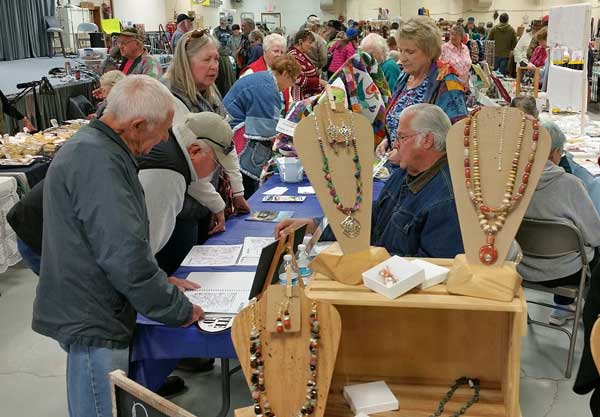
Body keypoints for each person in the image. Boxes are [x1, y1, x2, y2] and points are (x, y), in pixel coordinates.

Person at [31, 75, 204, 417]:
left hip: (89, 305)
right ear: (138, 124)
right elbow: (124, 254)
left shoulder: (99, 147)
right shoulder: (100, 162)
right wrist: (178, 310)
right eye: (161, 131)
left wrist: (158, 280)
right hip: (93, 313)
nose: (163, 140)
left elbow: (115, 240)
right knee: (100, 409)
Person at [276, 103, 464, 258]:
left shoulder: (446, 201)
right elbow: (372, 216)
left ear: (427, 141)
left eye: (401, 137)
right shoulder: (405, 174)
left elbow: (433, 271)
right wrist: (316, 225)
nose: (395, 144)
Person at [162, 29, 249, 237]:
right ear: (186, 62)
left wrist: (238, 191)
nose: (214, 66)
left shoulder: (209, 95)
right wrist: (217, 204)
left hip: (203, 202)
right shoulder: (171, 99)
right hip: (181, 208)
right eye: (206, 59)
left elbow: (225, 144)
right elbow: (188, 164)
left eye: (216, 59)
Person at [518, 120, 600, 325]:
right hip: (565, 273)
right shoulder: (571, 185)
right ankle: (571, 308)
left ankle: (562, 308)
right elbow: (595, 235)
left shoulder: (514, 183)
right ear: (554, 152)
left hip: (522, 267)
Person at [377, 17, 468, 157]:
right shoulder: (404, 77)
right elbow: (395, 121)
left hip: (426, 174)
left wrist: (405, 154)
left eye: (410, 52)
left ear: (429, 51)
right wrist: (387, 141)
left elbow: (456, 138)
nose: (403, 58)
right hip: (395, 164)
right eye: (401, 50)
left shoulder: (447, 83)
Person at [224, 56, 301, 198]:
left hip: (231, 127)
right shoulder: (267, 89)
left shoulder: (264, 79)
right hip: (237, 136)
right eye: (292, 80)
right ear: (284, 74)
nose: (290, 86)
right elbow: (266, 130)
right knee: (247, 183)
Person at [288, 29, 327, 101]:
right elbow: (298, 79)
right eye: (309, 42)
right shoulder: (293, 56)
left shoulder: (300, 54)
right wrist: (319, 82)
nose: (311, 46)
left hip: (308, 96)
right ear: (300, 42)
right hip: (300, 98)